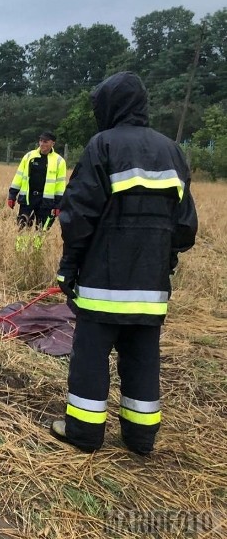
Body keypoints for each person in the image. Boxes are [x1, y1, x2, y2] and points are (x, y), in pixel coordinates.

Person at [51, 71, 198, 455]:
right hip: (151, 290)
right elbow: (185, 227)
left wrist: (69, 266)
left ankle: (83, 433)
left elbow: (78, 216)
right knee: (143, 359)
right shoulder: (172, 151)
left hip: (103, 283)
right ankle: (140, 438)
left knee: (90, 357)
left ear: (110, 106)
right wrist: (161, 260)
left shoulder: (104, 146)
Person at [7, 131, 67, 229]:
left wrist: (58, 205)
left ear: (53, 143)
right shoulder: (29, 156)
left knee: (42, 229)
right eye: (41, 141)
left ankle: (37, 245)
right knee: (22, 226)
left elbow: (60, 186)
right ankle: (21, 245)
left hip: (46, 201)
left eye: (45, 142)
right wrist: (12, 195)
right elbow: (19, 176)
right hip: (28, 198)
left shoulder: (59, 161)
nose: (42, 144)